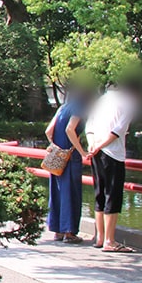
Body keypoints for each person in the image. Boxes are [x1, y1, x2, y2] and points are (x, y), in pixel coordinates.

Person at [85, 79, 142, 253]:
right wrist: (101, 145)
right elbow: (118, 129)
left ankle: (100, 237)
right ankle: (110, 241)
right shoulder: (129, 102)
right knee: (113, 193)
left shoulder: (102, 99)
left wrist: (93, 145)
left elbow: (89, 125)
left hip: (95, 151)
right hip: (112, 153)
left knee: (99, 193)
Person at [45, 86, 91, 243]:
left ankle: (57, 230)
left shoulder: (62, 108)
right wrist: (82, 151)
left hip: (57, 156)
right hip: (71, 157)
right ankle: (69, 232)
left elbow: (48, 130)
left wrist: (54, 146)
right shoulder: (79, 108)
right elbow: (70, 129)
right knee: (71, 191)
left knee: (57, 191)